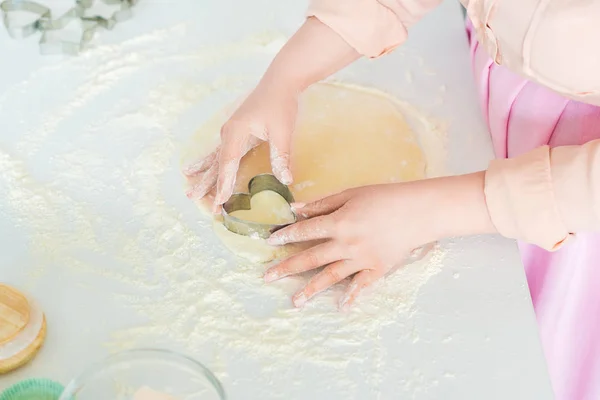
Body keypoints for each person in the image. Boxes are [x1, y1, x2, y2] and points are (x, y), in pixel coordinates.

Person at [184, 1, 600, 398]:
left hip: (567, 202)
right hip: (491, 103)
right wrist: (286, 78)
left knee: (520, 357)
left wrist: (424, 213)